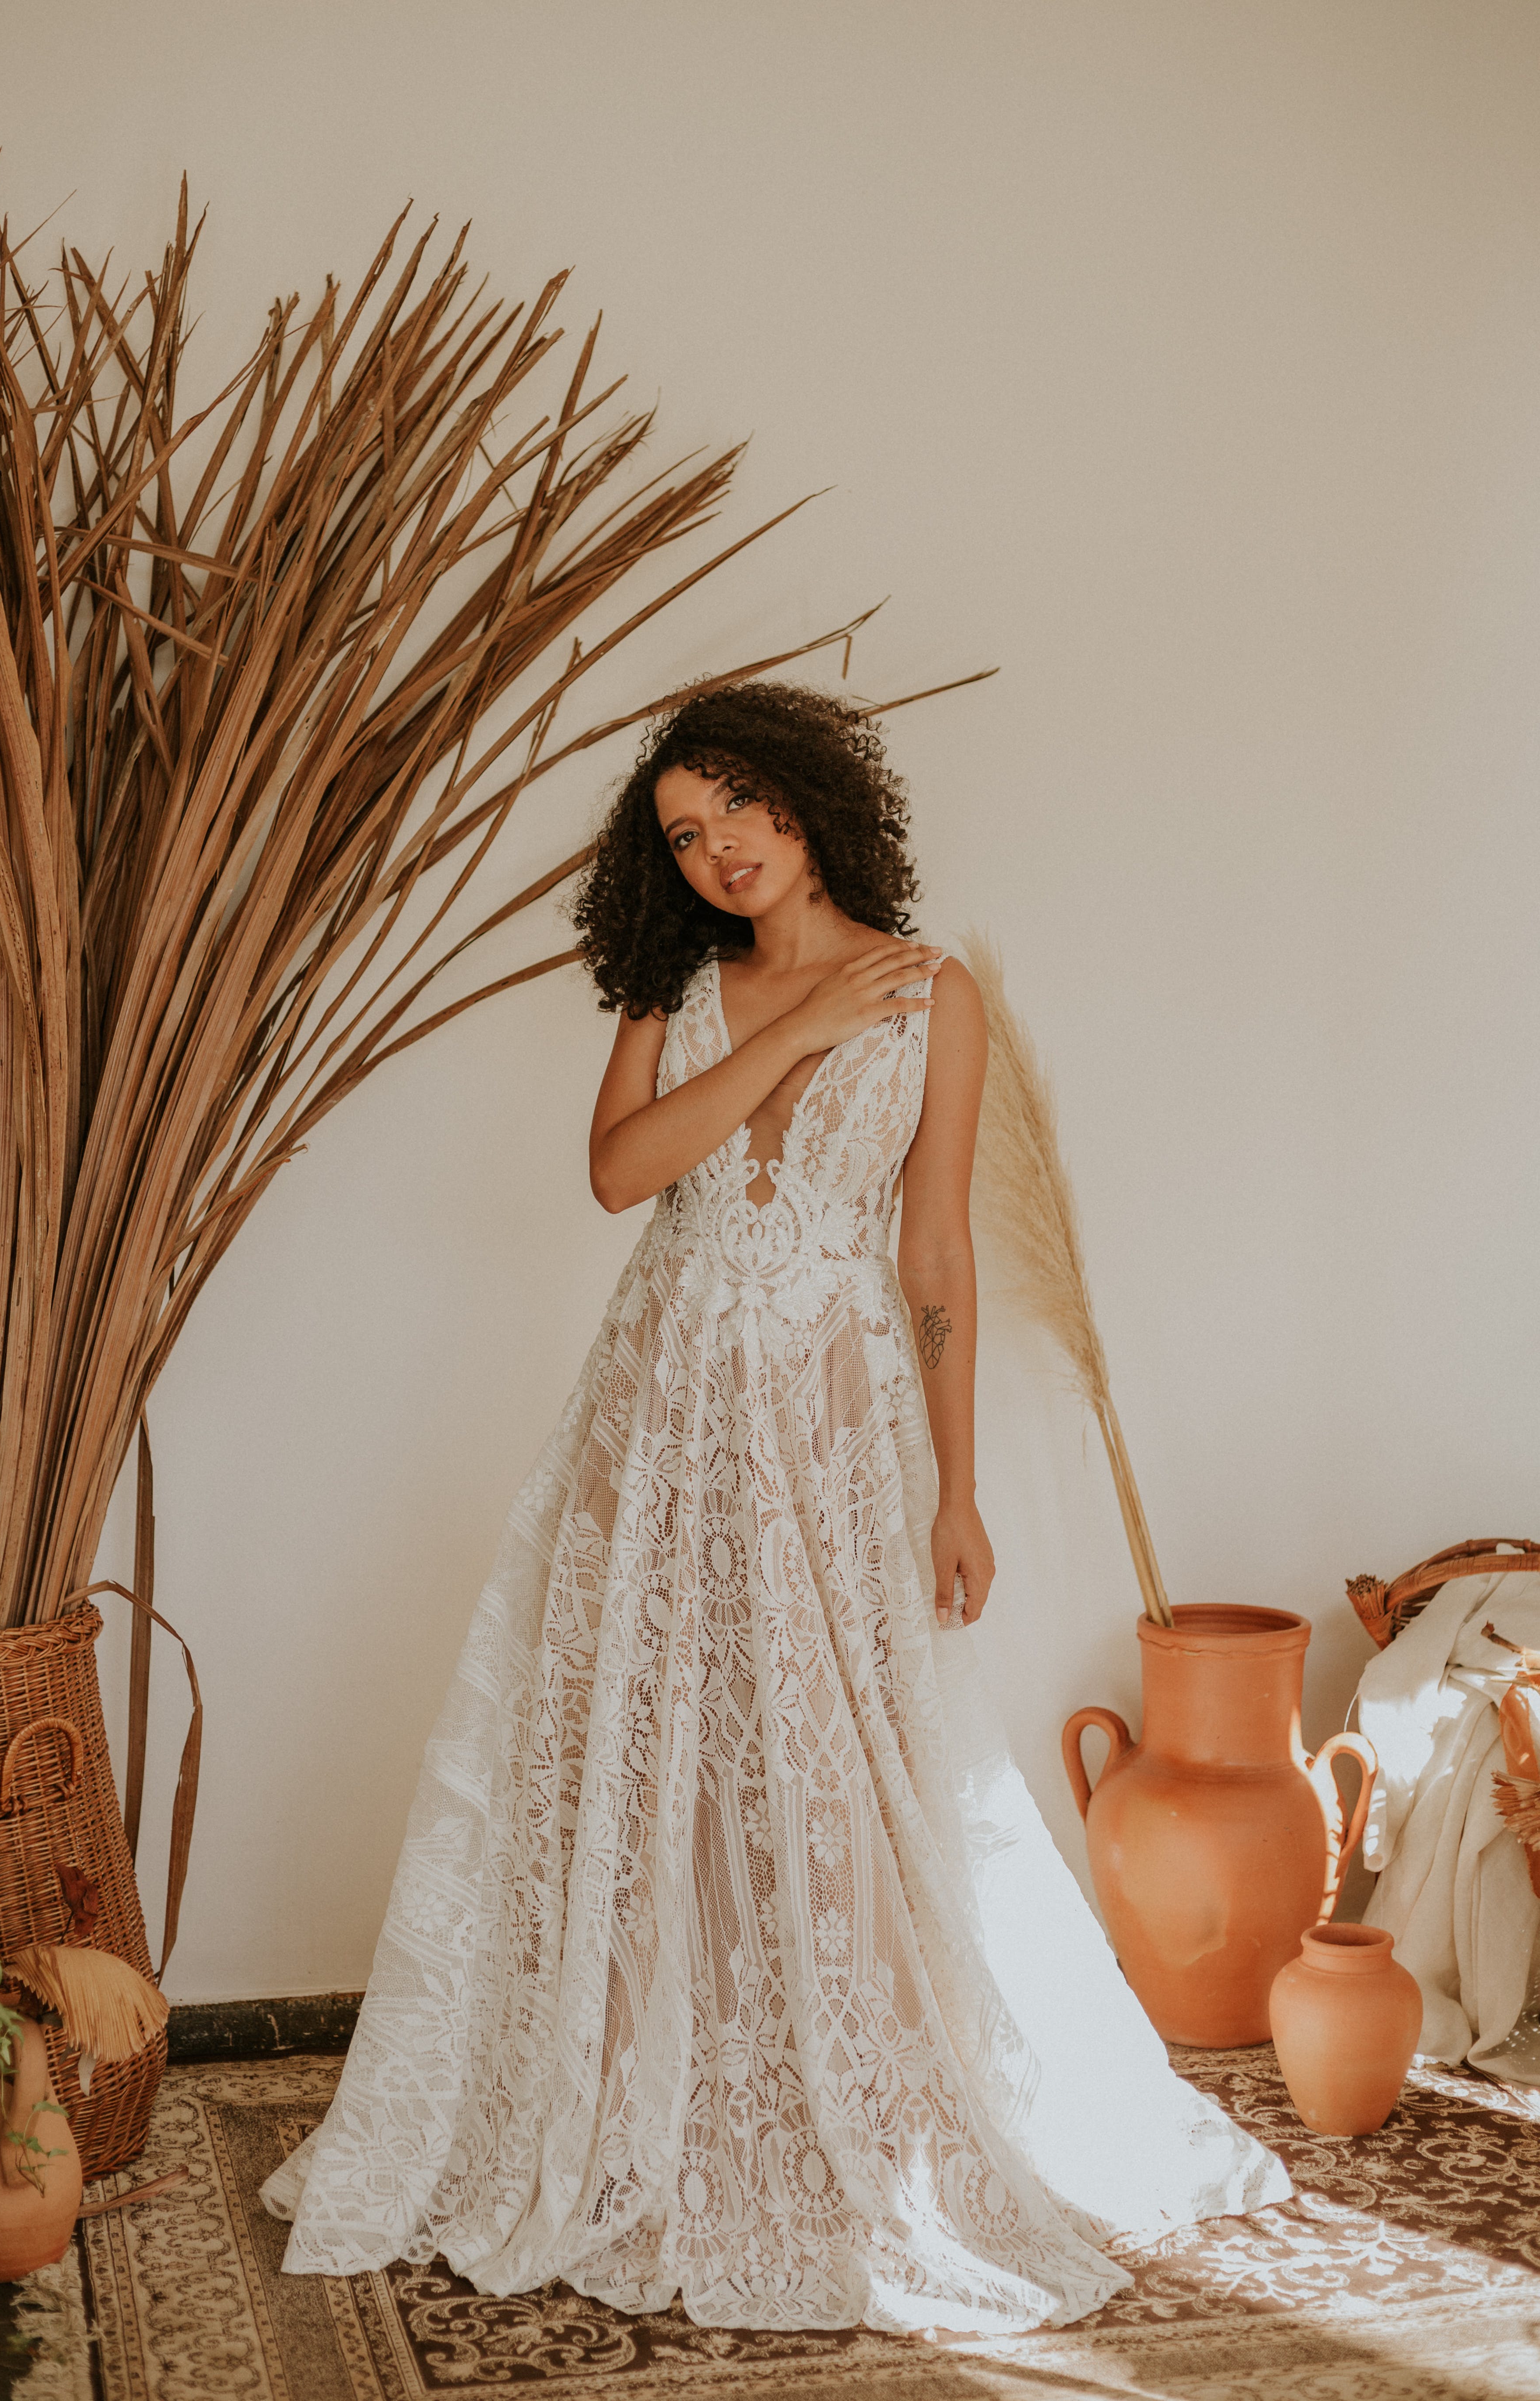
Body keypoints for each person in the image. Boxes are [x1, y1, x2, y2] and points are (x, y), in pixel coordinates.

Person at [261, 681, 1289, 2338]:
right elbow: (620, 1173)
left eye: (737, 803)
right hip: (656, 1424)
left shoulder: (929, 994)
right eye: (684, 832)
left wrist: (959, 1490)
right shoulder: (681, 985)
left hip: (828, 1432)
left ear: (807, 797)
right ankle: (630, 2095)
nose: (721, 847)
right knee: (648, 1740)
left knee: (835, 1756)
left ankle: (858, 2103)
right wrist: (791, 1034)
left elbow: (934, 1254)